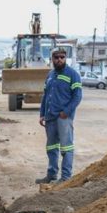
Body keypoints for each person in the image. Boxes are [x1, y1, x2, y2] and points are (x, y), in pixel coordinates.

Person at [36, 48, 82, 183]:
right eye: (56, 57)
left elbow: (77, 96)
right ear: (52, 59)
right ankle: (51, 175)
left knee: (66, 147)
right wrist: (42, 114)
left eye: (62, 57)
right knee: (51, 147)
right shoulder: (50, 75)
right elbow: (45, 96)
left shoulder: (73, 74)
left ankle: (66, 177)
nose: (59, 60)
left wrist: (66, 112)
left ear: (65, 58)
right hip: (50, 118)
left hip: (63, 118)